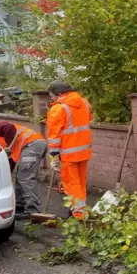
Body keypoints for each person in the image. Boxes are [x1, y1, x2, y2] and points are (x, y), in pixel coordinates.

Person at [46, 81, 93, 219]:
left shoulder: (58, 109)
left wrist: (54, 155)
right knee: (80, 182)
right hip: (84, 151)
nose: (51, 99)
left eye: (52, 96)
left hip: (68, 154)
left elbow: (54, 134)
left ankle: (78, 213)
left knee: (72, 184)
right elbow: (88, 119)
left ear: (60, 94)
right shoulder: (84, 103)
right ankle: (80, 209)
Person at [0, 121, 47, 218]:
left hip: (32, 145)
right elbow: (11, 158)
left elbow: (8, 126)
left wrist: (9, 140)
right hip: (33, 145)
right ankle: (20, 205)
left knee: (26, 178)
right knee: (20, 176)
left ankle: (32, 210)